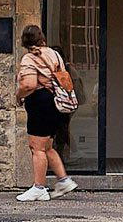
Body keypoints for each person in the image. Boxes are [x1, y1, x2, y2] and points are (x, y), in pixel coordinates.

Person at [16, 24, 78, 202]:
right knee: (48, 146)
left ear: (24, 41)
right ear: (41, 38)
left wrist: (18, 95)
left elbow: (29, 84)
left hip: (40, 103)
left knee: (37, 148)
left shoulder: (29, 58)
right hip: (55, 103)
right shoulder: (54, 53)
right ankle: (64, 180)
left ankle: (39, 188)